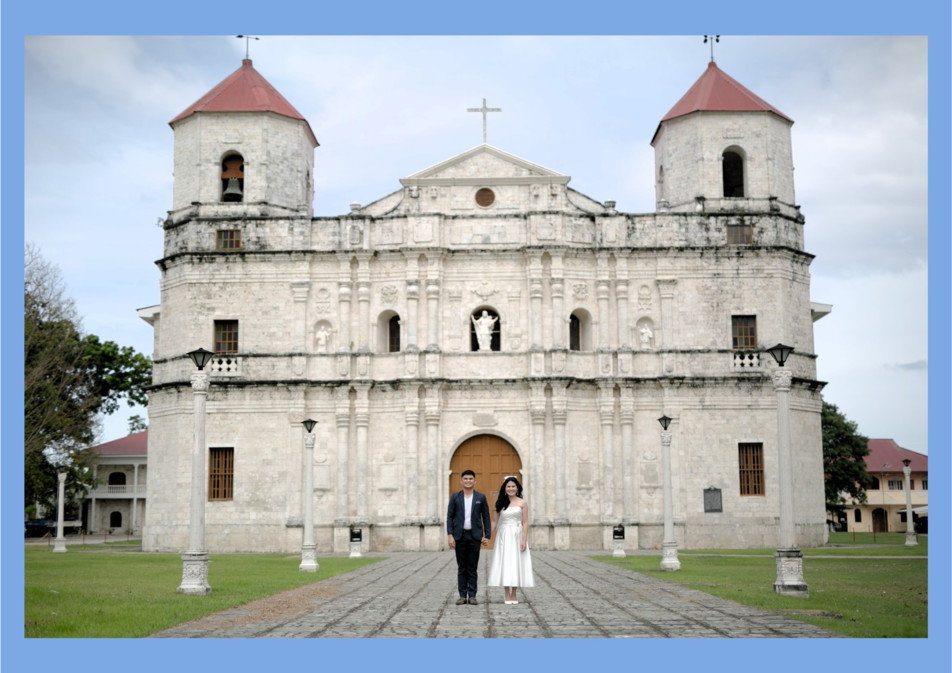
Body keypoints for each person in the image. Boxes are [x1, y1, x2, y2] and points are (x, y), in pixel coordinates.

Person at [446, 469, 491, 605]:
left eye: (470, 479)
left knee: (472, 567)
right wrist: (450, 535)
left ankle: (472, 595)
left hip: (474, 536)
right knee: (462, 567)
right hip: (459, 536)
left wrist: (487, 535)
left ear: (474, 481)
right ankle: (462, 595)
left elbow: (486, 517)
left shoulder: (480, 497)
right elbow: (449, 517)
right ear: (461, 481)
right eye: (465, 478)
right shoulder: (455, 497)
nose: (468, 481)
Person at [487, 475, 534, 604]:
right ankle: (507, 594)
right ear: (505, 488)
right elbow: (494, 522)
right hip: (504, 536)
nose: (511, 489)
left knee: (516, 563)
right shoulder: (500, 503)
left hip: (517, 535)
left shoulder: (522, 503)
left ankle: (514, 594)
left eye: (513, 486)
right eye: (508, 486)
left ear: (517, 488)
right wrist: (486, 536)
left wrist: (524, 540)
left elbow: (525, 522)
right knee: (506, 563)